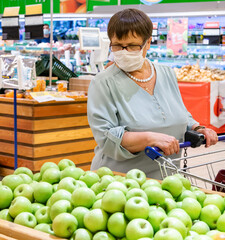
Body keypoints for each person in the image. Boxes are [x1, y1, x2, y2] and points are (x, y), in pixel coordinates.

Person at [87, 9, 218, 179]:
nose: (124, 51)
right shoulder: (103, 82)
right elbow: (106, 138)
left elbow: (178, 112)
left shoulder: (166, 73)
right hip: (120, 183)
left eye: (132, 46)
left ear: (148, 43)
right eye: (118, 45)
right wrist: (149, 138)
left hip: (168, 178)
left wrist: (197, 128)